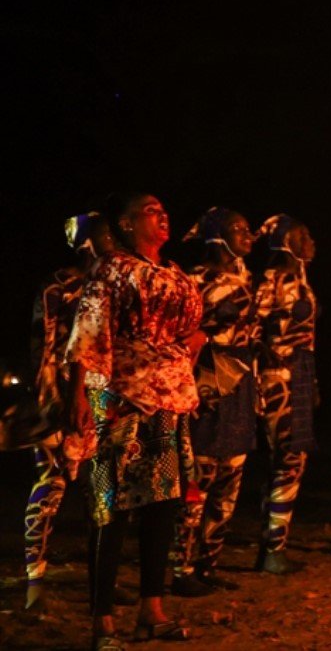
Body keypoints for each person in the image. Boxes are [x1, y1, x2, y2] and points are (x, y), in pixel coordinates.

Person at [64, 193, 203, 647]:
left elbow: (185, 328)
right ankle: (102, 622)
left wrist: (191, 342)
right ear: (126, 223)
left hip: (169, 399)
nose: (162, 215)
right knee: (112, 505)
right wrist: (78, 395)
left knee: (162, 502)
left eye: (165, 209)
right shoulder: (114, 269)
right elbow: (88, 329)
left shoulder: (175, 273)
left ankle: (152, 609)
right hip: (120, 394)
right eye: (150, 210)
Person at [22, 212, 112, 612]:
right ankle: (34, 580)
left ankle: (101, 584)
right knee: (49, 485)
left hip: (103, 394)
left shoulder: (111, 283)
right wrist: (52, 402)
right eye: (105, 233)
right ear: (86, 240)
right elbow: (43, 348)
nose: (113, 239)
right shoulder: (59, 285)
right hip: (60, 395)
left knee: (103, 493)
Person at [171, 207, 260, 596]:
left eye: (248, 227)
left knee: (231, 479)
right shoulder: (193, 280)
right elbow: (184, 332)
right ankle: (181, 568)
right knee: (198, 481)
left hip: (239, 386)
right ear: (217, 236)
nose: (249, 234)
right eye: (238, 229)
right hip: (207, 386)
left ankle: (209, 564)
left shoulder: (247, 279)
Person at [252, 213, 319, 575]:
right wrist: (269, 357)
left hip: (299, 374)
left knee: (292, 459)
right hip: (279, 377)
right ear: (285, 241)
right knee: (289, 457)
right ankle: (273, 549)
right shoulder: (273, 279)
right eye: (302, 234)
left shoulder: (300, 279)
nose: (311, 240)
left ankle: (274, 543)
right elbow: (253, 324)